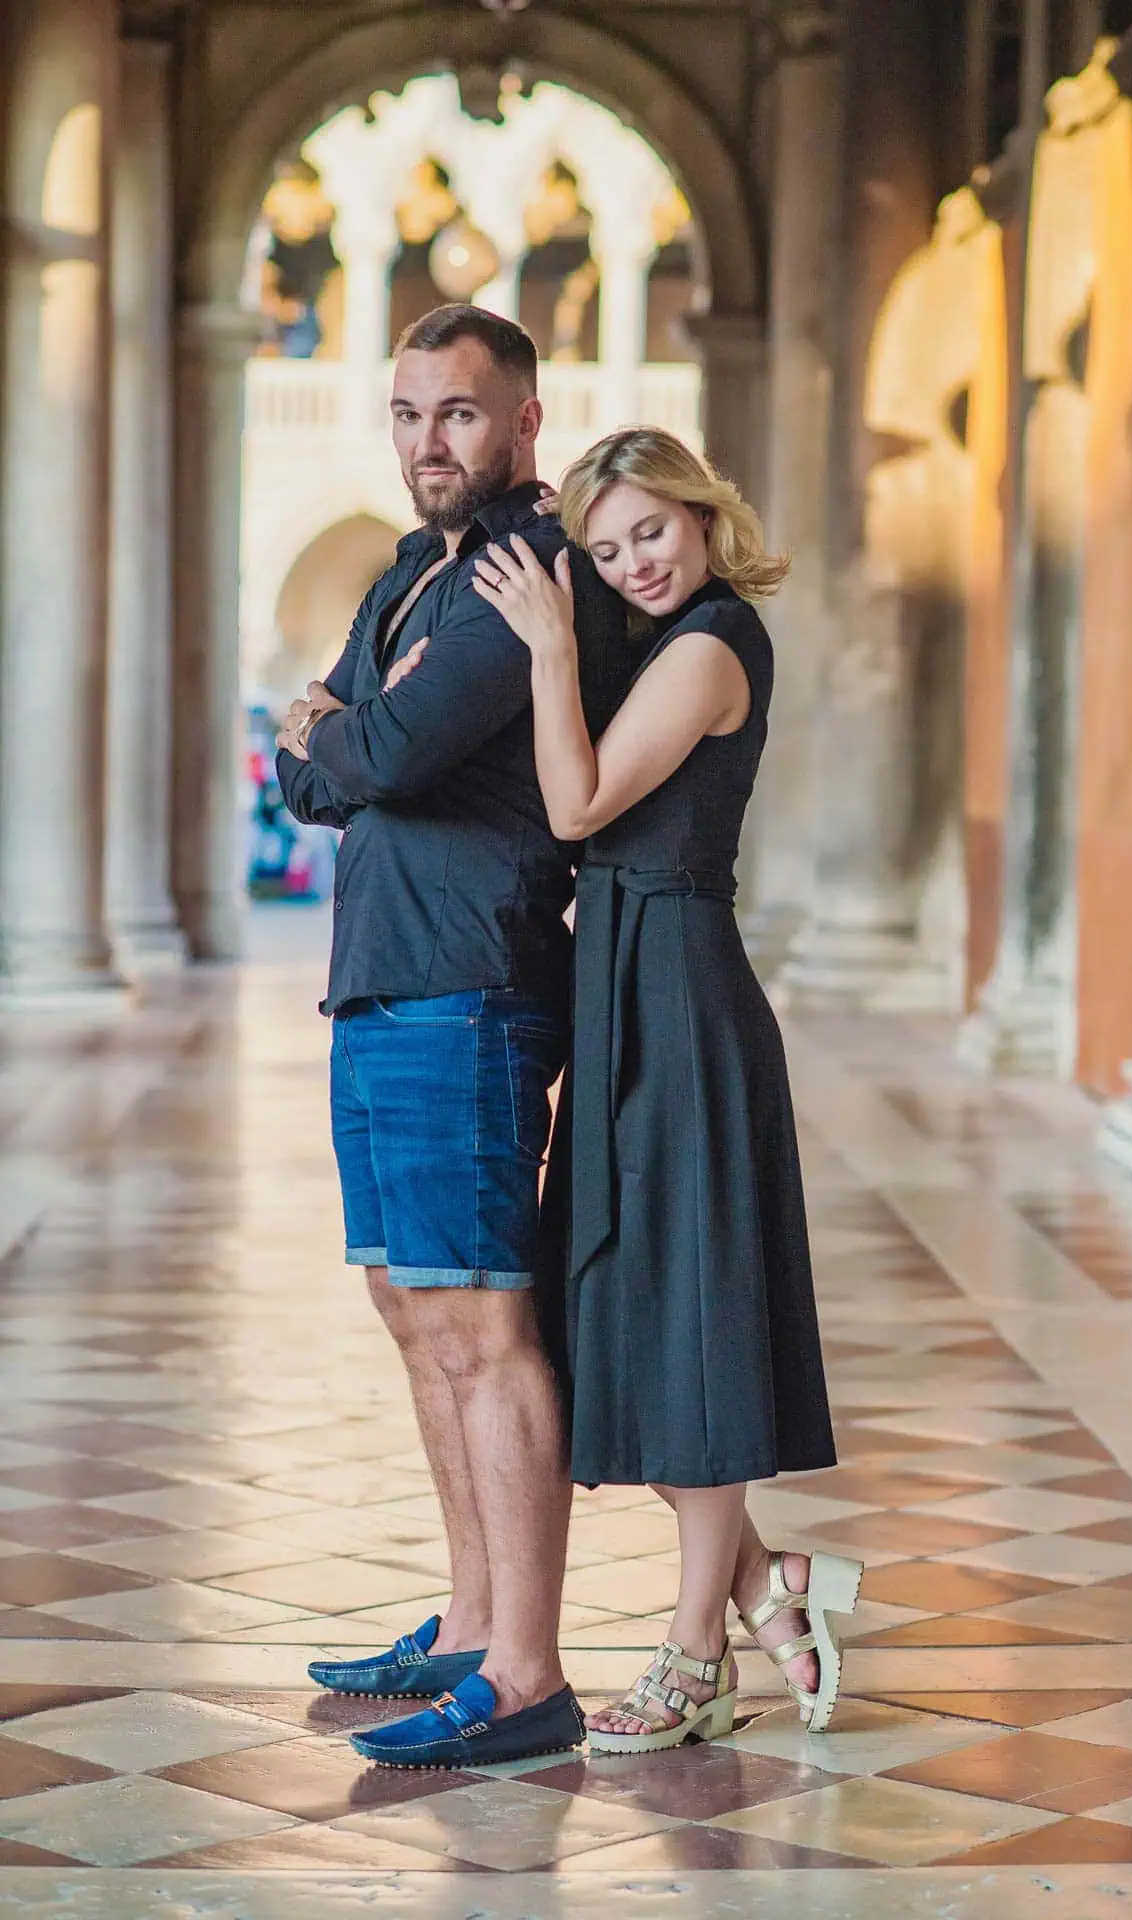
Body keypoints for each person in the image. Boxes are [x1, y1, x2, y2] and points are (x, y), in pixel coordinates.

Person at [465, 426, 863, 1754]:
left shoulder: (708, 645)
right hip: (632, 991)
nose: (635, 560)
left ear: (701, 515)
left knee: (691, 1324)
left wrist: (550, 644)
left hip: (682, 1002)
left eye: (654, 530)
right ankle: (767, 1583)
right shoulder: (672, 639)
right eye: (608, 546)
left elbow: (575, 804)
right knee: (625, 1323)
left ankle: (700, 1655)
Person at [274, 306, 630, 1770]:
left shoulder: (520, 572)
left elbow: (377, 752)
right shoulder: (411, 572)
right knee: (414, 1312)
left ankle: (529, 1676)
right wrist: (341, 740)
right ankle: (475, 1628)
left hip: (466, 990)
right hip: (382, 982)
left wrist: (344, 736)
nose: (430, 442)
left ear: (525, 423)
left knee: (481, 1325)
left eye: (461, 414)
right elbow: (317, 773)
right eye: (411, 412)